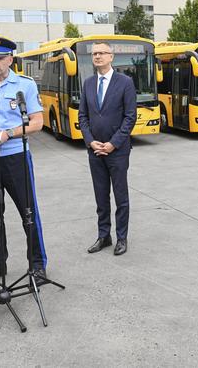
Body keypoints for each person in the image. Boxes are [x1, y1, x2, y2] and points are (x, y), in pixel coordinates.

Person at [0, 36, 48, 284]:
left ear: (10, 59)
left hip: (15, 157)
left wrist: (9, 134)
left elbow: (37, 122)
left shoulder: (24, 85)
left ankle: (37, 265)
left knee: (28, 212)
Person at [79, 41, 137, 255]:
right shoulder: (88, 83)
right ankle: (104, 236)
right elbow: (83, 116)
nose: (98, 57)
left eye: (102, 53)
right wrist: (90, 140)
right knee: (101, 197)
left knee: (121, 198)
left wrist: (113, 143)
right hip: (94, 150)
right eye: (94, 54)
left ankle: (122, 237)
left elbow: (130, 118)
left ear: (111, 56)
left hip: (118, 151)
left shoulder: (125, 83)